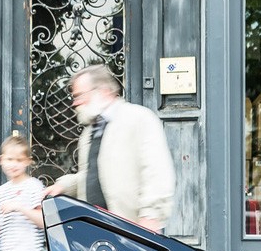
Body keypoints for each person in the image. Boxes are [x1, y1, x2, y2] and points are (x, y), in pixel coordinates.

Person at [44, 64, 175, 233]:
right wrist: (63, 187)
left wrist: (150, 217)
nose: (75, 103)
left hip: (134, 230)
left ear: (104, 91)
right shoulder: (89, 132)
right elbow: (93, 176)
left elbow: (157, 173)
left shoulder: (139, 118)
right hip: (98, 230)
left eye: (79, 95)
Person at [0, 134, 46, 251]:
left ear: (28, 161)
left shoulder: (34, 186)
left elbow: (43, 221)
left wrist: (19, 207)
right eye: (10, 159)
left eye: (19, 160)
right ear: (1, 160)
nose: (14, 164)